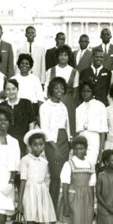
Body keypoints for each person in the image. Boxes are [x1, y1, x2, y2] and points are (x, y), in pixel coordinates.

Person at [17, 129, 57, 224]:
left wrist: (45, 196)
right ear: (30, 146)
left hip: (40, 193)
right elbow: (22, 180)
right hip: (29, 192)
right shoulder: (25, 160)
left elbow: (46, 180)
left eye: (41, 144)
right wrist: (20, 201)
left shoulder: (44, 162)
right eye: (35, 145)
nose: (38, 147)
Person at [58, 136, 96, 224]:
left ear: (86, 150)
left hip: (85, 199)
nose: (79, 151)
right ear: (72, 150)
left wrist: (92, 205)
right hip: (73, 198)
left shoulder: (90, 165)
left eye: (82, 148)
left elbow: (92, 186)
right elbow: (65, 185)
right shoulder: (69, 164)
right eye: (76, 148)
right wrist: (67, 205)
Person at [39, 77, 71, 207]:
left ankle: (57, 207)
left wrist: (69, 143)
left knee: (62, 176)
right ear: (51, 90)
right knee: (55, 176)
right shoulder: (45, 106)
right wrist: (55, 148)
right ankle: (51, 208)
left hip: (64, 141)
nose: (60, 90)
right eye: (56, 88)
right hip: (52, 142)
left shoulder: (63, 106)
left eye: (62, 88)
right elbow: (44, 129)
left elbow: (66, 126)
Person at [44, 45, 79, 136]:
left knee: (68, 127)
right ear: (57, 57)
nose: (63, 57)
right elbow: (46, 89)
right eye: (60, 55)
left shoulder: (74, 72)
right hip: (53, 102)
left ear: (69, 57)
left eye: (65, 55)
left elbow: (75, 91)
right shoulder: (50, 71)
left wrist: (71, 104)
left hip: (68, 103)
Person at [0, 78, 37, 156]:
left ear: (17, 89)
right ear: (5, 91)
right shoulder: (1, 106)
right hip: (6, 143)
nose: (11, 92)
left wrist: (29, 144)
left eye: (13, 89)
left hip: (23, 142)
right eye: (8, 89)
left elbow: (31, 125)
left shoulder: (26, 103)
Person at [75, 80, 108, 165]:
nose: (85, 94)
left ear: (93, 92)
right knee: (80, 165)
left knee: (91, 165)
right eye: (83, 91)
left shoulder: (100, 106)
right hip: (81, 138)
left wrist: (101, 154)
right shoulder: (78, 108)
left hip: (94, 139)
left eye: (88, 91)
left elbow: (103, 132)